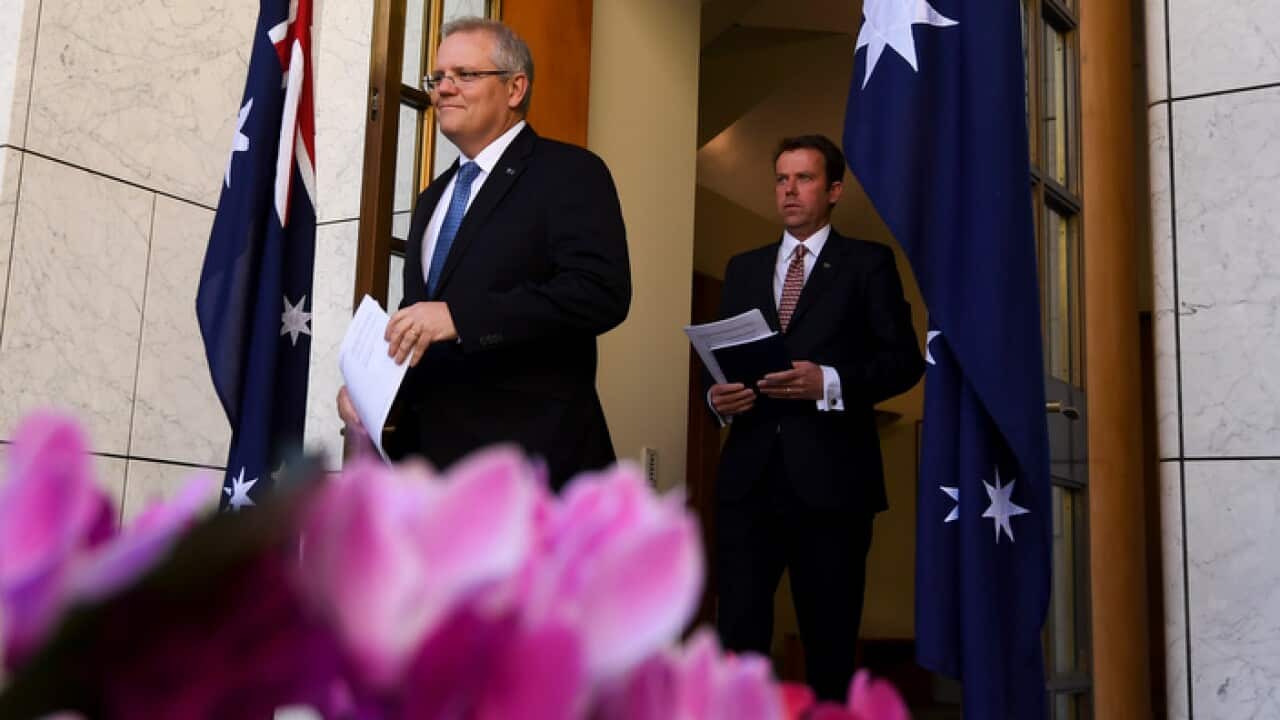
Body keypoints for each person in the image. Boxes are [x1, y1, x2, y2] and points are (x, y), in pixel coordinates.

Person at [337, 17, 630, 490]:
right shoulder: (433, 198)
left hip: (530, 470)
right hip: (430, 474)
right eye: (438, 78)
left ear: (515, 88)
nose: (443, 89)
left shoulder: (571, 173)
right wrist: (373, 392)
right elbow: (425, 329)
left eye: (465, 75)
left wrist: (462, 317)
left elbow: (601, 294)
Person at [709, 135, 924, 700]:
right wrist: (717, 400)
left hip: (833, 485)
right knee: (737, 637)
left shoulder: (867, 264)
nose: (789, 190)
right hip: (748, 482)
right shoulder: (743, 268)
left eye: (804, 178)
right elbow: (721, 365)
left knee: (829, 642)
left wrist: (826, 380)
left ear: (834, 190)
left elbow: (902, 361)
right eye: (781, 179)